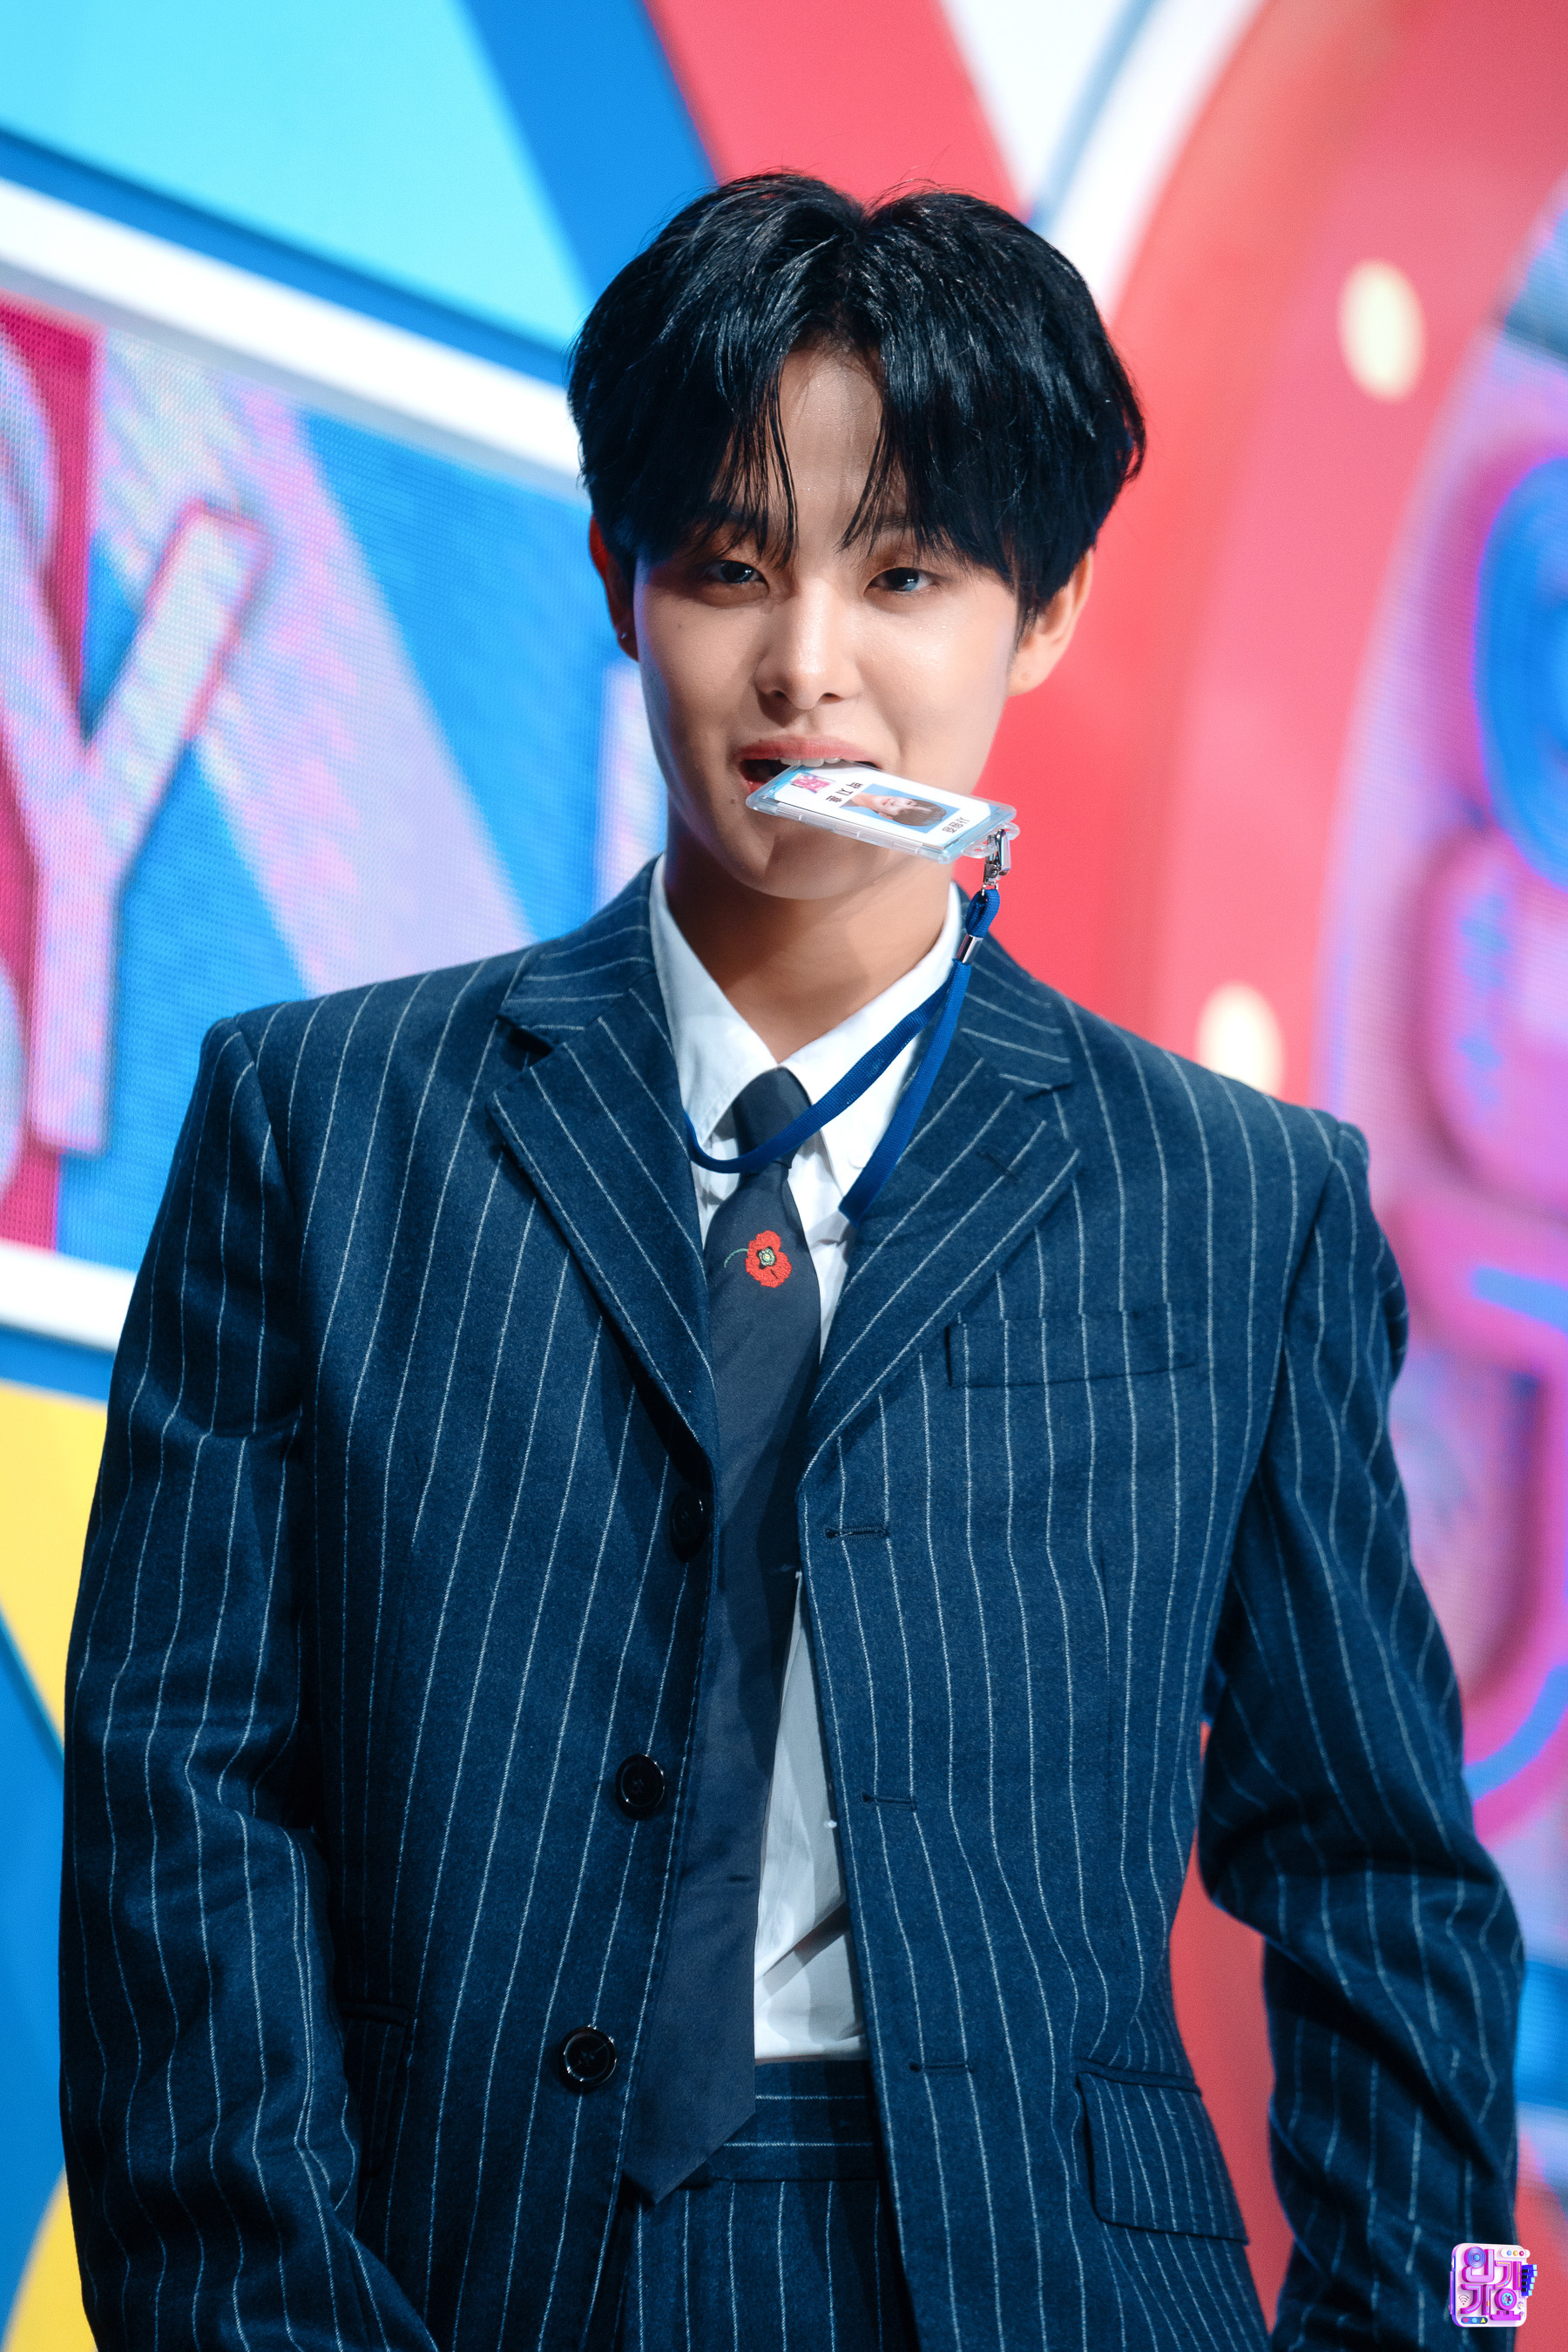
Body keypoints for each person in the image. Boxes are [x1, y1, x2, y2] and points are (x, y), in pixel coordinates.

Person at [61, 174, 1521, 2352]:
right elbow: (183, 1801)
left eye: (904, 573)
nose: (807, 669)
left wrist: (1440, 2331)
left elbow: (1385, 1878)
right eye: (731, 567)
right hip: (468, 2269)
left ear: (1044, 610)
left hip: (1050, 2291)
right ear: (618, 579)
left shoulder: (1241, 1208)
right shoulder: (320, 1126)